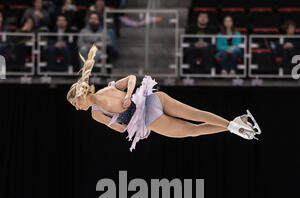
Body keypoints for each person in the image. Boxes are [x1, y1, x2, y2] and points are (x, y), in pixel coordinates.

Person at [66, 45, 261, 153]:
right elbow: (131, 81)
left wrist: (126, 101)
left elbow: (122, 128)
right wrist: (127, 97)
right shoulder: (102, 98)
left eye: (75, 103)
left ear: (81, 95)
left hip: (148, 117)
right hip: (154, 99)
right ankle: (236, 125)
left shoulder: (98, 110)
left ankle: (236, 127)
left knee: (193, 129)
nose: (77, 108)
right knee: (196, 115)